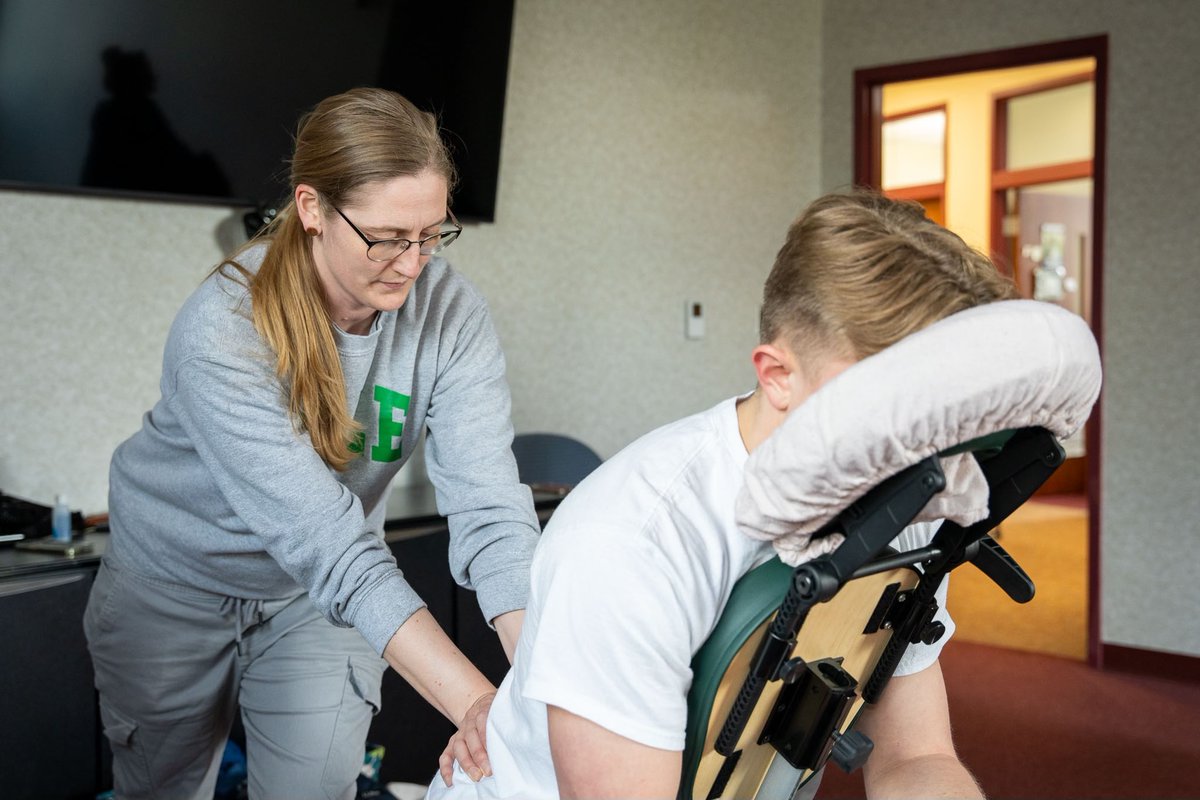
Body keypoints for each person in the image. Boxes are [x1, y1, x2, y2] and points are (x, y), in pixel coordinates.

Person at [427, 189, 1018, 799]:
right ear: (778, 376)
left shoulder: (906, 490)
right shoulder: (630, 544)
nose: (920, 441)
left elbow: (915, 756)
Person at [83, 88, 537, 800]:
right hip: (172, 587)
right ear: (312, 208)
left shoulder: (451, 314)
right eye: (387, 236)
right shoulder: (223, 328)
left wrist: (542, 681)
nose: (412, 263)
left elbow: (490, 509)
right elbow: (330, 544)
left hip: (312, 601)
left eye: (431, 235)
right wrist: (481, 705)